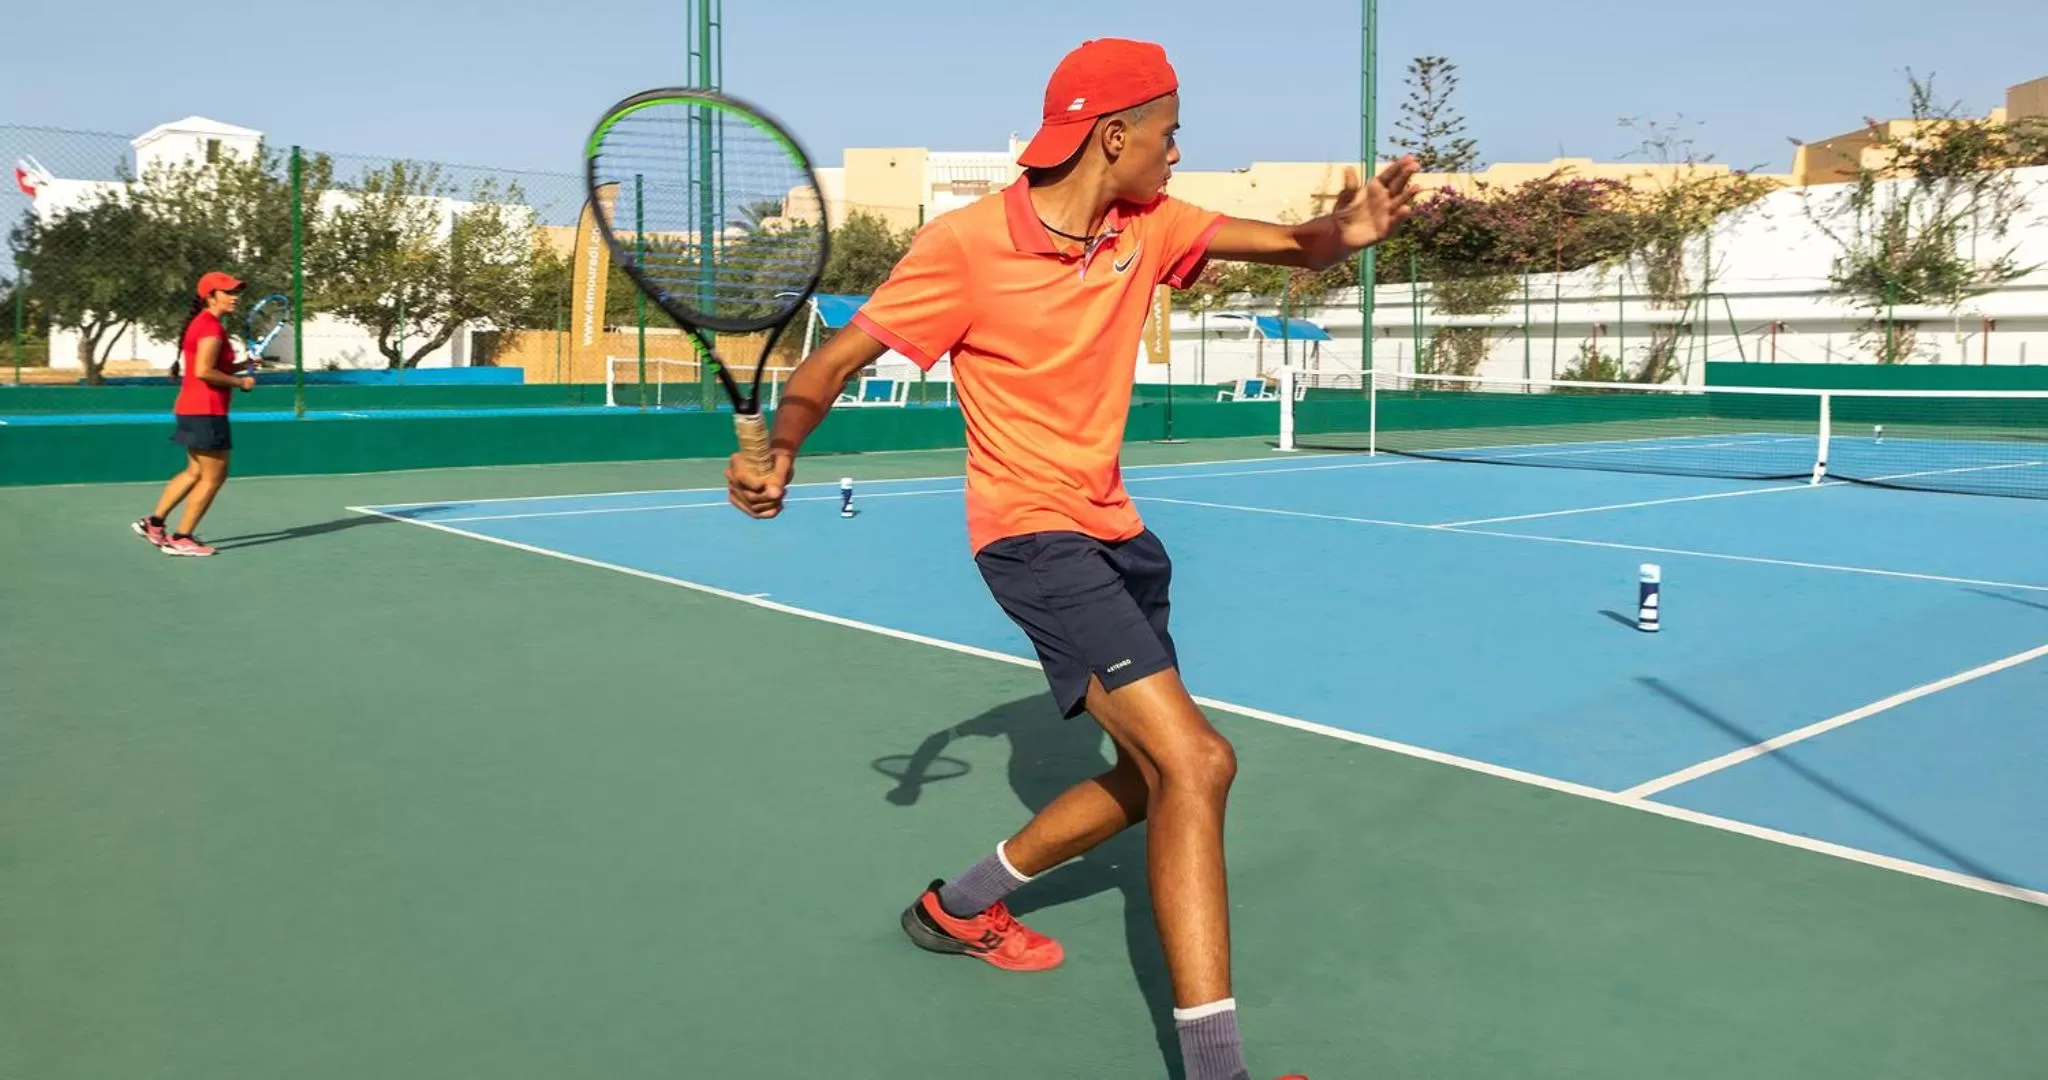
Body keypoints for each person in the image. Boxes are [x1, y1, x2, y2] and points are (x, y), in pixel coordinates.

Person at [728, 38, 1418, 1080]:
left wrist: (1346, 232)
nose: (1177, 151)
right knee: (1199, 762)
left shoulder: (1148, 226)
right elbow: (833, 361)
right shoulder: (964, 247)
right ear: (1114, 134)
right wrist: (782, 443)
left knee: (1146, 779)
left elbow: (1294, 244)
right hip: (1030, 535)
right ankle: (1217, 1071)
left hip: (1118, 536)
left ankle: (956, 906)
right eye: (1169, 132)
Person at [134, 271, 255, 556]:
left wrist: (241, 366)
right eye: (227, 292)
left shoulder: (203, 324)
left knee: (195, 471)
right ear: (210, 296)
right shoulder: (211, 328)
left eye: (235, 292)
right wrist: (240, 382)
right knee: (214, 476)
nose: (234, 297)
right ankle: (181, 538)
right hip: (206, 410)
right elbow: (204, 371)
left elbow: (210, 365)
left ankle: (154, 523)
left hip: (192, 408)